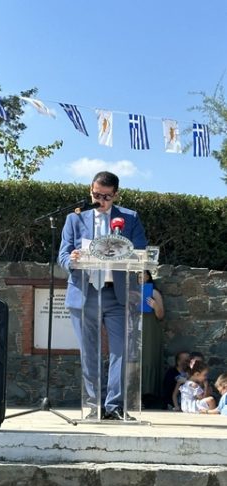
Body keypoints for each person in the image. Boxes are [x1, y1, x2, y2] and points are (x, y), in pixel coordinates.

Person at [58, 171, 147, 420]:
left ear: (116, 195)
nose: (101, 201)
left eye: (107, 197)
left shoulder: (129, 218)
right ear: (91, 190)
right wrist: (72, 259)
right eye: (97, 195)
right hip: (84, 293)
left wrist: (125, 254)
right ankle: (94, 406)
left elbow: (140, 251)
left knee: (121, 351)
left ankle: (114, 406)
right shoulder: (74, 219)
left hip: (117, 293)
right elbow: (62, 255)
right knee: (89, 352)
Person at [139, 270, 165, 409]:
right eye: (137, 274)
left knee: (148, 358)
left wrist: (155, 306)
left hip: (149, 328)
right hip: (134, 329)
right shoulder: (130, 291)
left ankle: (147, 394)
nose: (139, 276)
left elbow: (161, 315)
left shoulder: (154, 292)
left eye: (142, 273)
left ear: (148, 276)